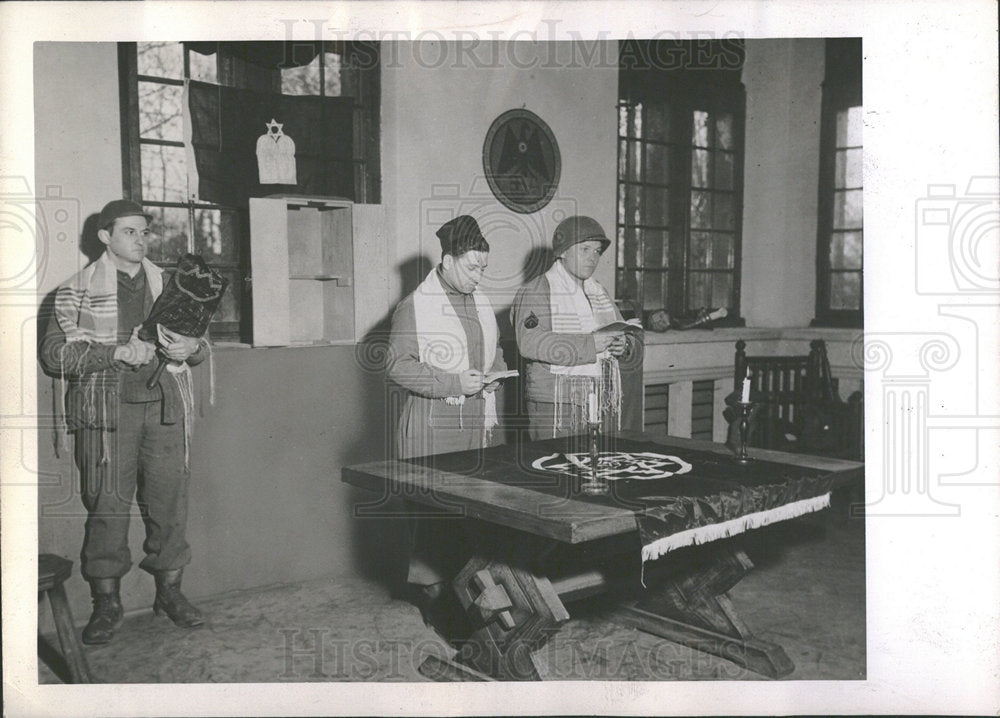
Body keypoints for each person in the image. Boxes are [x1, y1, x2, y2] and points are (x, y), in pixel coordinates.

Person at [40, 199, 208, 645]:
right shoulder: (73, 291)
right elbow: (54, 355)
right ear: (105, 237)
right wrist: (112, 352)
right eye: (130, 232)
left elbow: (201, 347)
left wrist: (187, 350)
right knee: (107, 510)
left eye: (144, 232)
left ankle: (169, 594)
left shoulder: (170, 287)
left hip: (165, 411)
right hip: (106, 416)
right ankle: (107, 604)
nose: (141, 240)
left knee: (170, 507)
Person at [385, 215, 506, 630]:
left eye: (483, 268)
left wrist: (495, 373)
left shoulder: (479, 301)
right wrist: (453, 381)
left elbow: (495, 350)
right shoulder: (415, 306)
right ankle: (438, 607)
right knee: (435, 523)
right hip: (434, 424)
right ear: (449, 260)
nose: (479, 275)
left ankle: (467, 599)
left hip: (477, 422)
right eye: (473, 267)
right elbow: (396, 366)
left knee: (473, 519)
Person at [511, 215, 640, 439]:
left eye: (597, 251)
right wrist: (590, 344)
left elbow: (621, 331)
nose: (593, 258)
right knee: (555, 468)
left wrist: (623, 344)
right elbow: (530, 343)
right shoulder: (538, 290)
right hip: (557, 401)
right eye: (585, 249)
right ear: (563, 252)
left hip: (598, 395)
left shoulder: (597, 291)